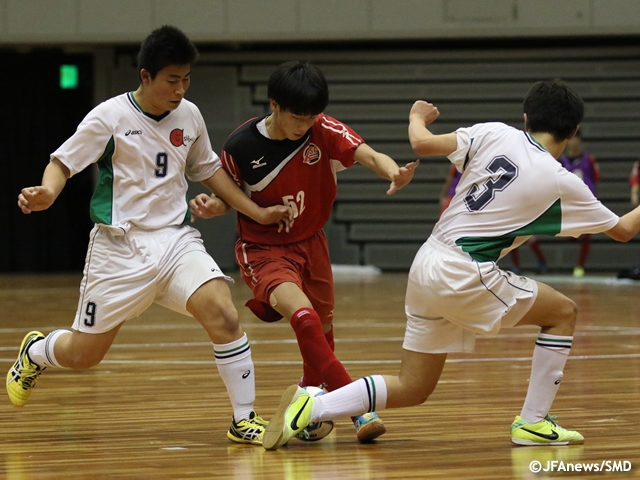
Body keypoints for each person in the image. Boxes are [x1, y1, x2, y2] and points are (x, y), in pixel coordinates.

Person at [262, 79, 640, 450]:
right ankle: (533, 422)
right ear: (573, 130)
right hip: (464, 269)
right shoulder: (562, 181)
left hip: (427, 261)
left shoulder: (494, 132)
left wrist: (416, 116)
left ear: (526, 118)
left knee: (413, 387)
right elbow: (623, 230)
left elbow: (421, 143)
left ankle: (312, 406)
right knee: (562, 312)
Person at [6, 25, 293, 447]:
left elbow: (209, 170)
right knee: (84, 355)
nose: (180, 89)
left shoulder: (190, 116)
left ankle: (243, 418)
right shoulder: (109, 117)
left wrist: (255, 211)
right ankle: (35, 351)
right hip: (119, 249)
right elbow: (62, 163)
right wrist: (48, 191)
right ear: (145, 76)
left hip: (175, 241)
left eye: (186, 79)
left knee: (225, 315)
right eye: (171, 80)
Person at [190, 61, 419, 443]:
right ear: (274, 105)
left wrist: (394, 172)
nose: (305, 125)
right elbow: (226, 195)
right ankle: (358, 410)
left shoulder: (323, 129)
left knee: (324, 328)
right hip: (264, 249)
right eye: (298, 117)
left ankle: (309, 396)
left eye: (311, 117)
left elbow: (370, 155)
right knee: (305, 318)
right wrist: (213, 207)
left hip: (313, 243)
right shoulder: (240, 146)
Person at [441, 166, 546, 274]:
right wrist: (444, 195)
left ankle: (541, 261)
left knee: (525, 237)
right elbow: (450, 178)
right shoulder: (463, 164)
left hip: (513, 203)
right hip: (460, 199)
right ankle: (516, 266)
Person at [558, 130, 601, 277]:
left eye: (577, 138)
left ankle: (580, 266)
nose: (574, 142)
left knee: (586, 234)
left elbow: (595, 179)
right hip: (568, 203)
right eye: (571, 138)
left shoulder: (589, 160)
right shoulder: (561, 161)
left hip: (585, 203)